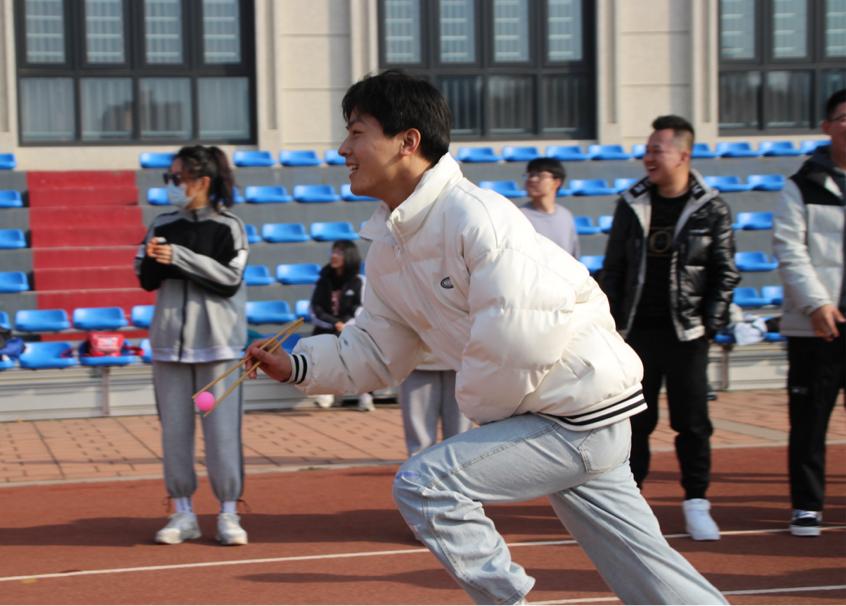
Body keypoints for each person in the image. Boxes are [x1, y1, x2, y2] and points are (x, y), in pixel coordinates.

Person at [245, 70, 726, 604]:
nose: (343, 149)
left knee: (426, 483)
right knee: (650, 572)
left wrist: (483, 414)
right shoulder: (389, 246)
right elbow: (379, 349)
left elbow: (518, 337)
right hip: (566, 413)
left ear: (408, 142)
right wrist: (299, 365)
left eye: (357, 133)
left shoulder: (478, 217)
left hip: (573, 415)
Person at [600, 115, 740, 542]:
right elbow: (613, 269)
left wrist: (710, 324)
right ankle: (631, 506)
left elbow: (725, 272)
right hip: (636, 334)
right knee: (635, 423)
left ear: (683, 155)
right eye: (646, 150)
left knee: (692, 423)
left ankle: (696, 502)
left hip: (687, 335)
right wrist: (611, 324)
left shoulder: (711, 207)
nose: (648, 157)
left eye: (656, 150)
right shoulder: (631, 203)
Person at [135, 145, 250, 546]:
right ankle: (182, 512)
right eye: (169, 178)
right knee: (175, 434)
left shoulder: (229, 227)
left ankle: (229, 512)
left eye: (177, 178)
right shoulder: (162, 223)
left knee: (222, 434)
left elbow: (229, 280)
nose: (171, 185)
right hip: (170, 350)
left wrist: (179, 257)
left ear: (202, 181)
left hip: (217, 351)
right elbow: (145, 276)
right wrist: (155, 258)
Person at [773, 88, 846, 538]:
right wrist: (817, 303)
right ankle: (806, 504)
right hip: (816, 326)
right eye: (845, 117)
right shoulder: (801, 185)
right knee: (809, 419)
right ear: (827, 126)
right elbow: (789, 248)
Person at [309, 239, 374, 411]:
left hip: (352, 328)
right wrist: (334, 323)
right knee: (324, 345)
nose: (333, 255)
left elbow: (362, 308)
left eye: (339, 252)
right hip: (326, 328)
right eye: (333, 251)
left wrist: (346, 324)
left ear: (349, 256)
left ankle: (365, 395)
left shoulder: (359, 281)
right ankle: (327, 393)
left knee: (359, 347)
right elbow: (315, 309)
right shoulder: (323, 280)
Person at [398, 353, 472, 457]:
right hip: (418, 357)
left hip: (461, 356)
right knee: (421, 446)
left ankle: (459, 463)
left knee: (459, 440)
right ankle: (421, 465)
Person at [519, 157, 580, 257]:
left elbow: (573, 256)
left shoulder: (565, 215)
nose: (532, 179)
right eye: (530, 175)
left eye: (540, 175)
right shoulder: (520, 216)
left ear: (556, 182)